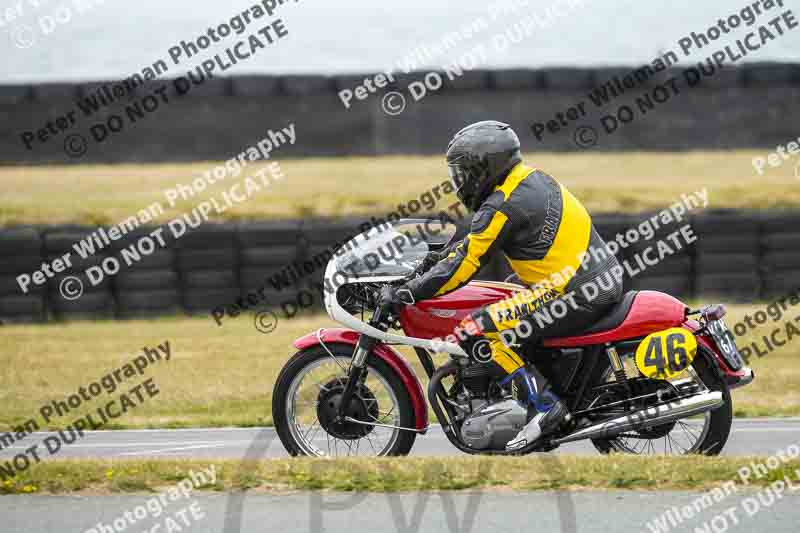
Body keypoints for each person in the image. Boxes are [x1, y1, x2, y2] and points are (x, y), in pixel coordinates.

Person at [380, 120, 624, 450]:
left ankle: (545, 405)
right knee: (506, 290)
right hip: (594, 279)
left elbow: (464, 265)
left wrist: (410, 291)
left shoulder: (503, 205)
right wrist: (423, 268)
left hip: (574, 291)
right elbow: (469, 244)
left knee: (474, 328)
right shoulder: (530, 179)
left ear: (485, 168)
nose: (459, 182)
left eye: (463, 173)